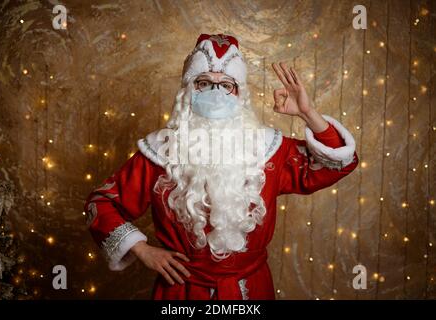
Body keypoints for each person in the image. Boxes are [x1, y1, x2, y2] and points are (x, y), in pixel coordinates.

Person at [84, 33, 358, 300]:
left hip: (252, 288)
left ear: (239, 93)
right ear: (188, 91)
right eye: (203, 82)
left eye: (226, 84)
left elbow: (336, 164)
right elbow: (102, 203)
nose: (216, 92)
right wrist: (141, 249)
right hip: (182, 290)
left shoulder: (268, 149)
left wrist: (308, 114)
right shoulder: (159, 152)